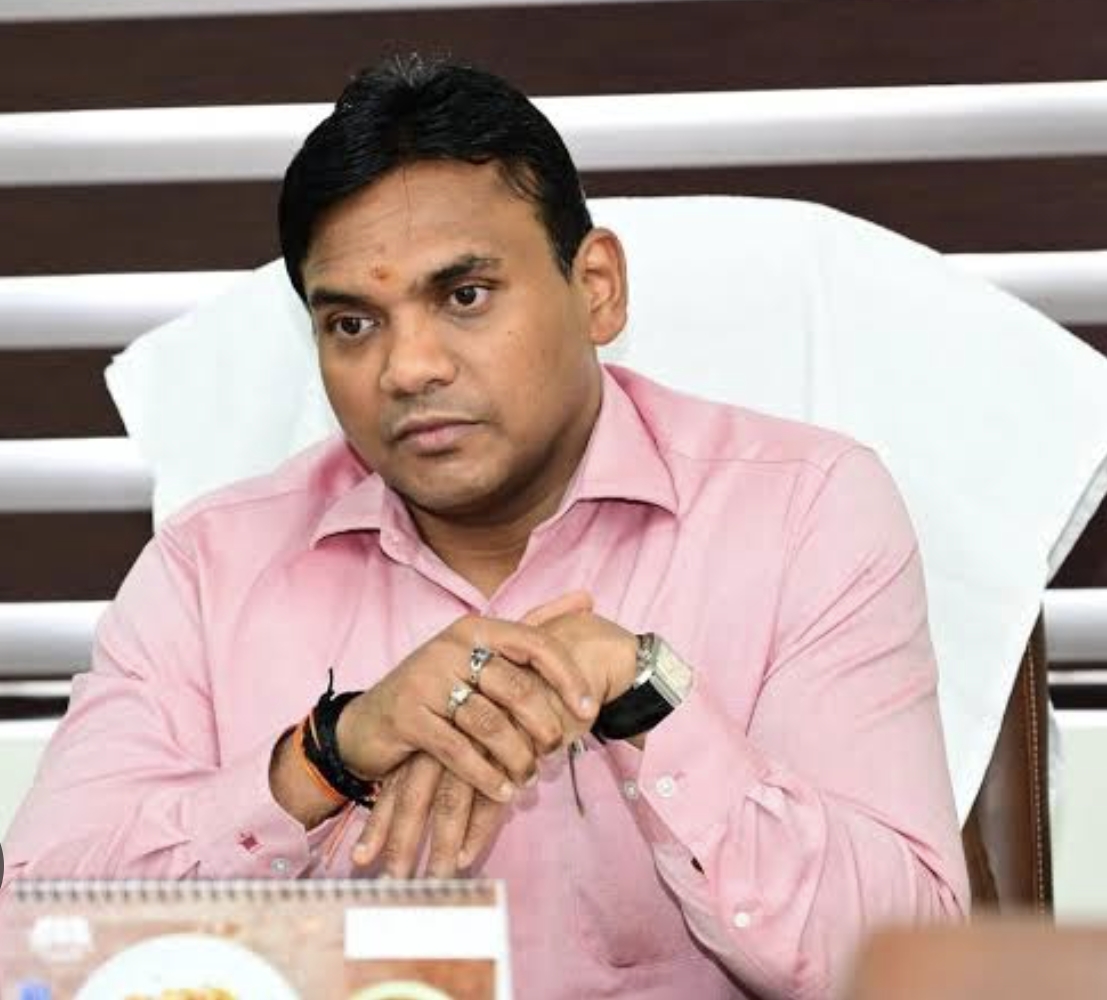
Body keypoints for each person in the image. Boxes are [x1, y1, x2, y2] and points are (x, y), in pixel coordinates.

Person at [2, 56, 968, 998]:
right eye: (353, 324)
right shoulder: (209, 568)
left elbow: (909, 970)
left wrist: (641, 693)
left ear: (596, 288)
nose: (408, 368)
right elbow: (29, 953)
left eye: (463, 297)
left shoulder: (802, 512)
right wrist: (325, 756)